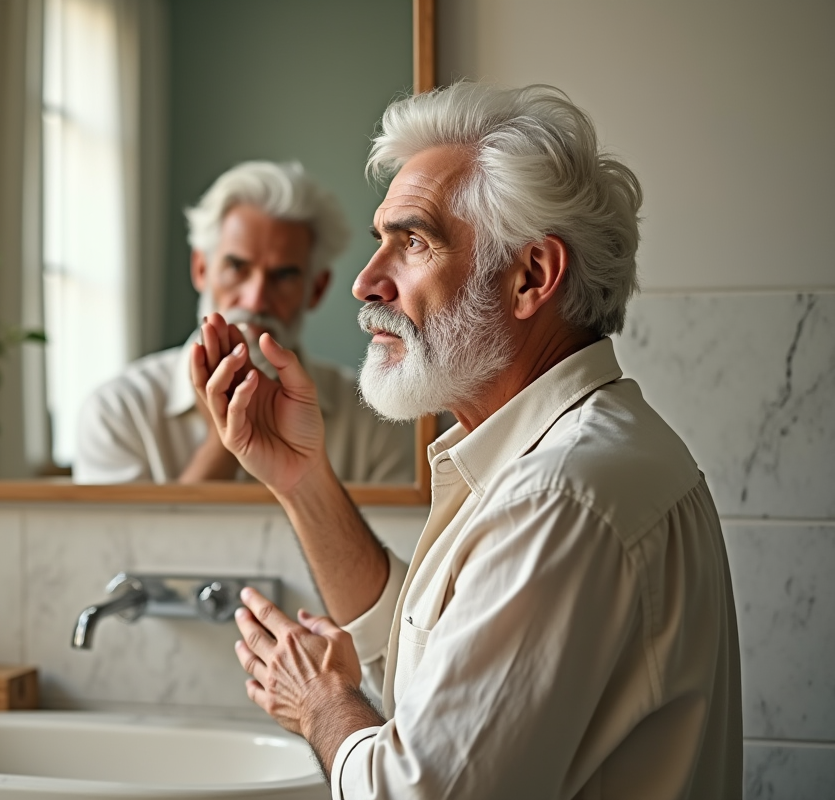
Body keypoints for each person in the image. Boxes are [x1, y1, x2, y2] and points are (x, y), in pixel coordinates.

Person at [193, 83, 742, 798]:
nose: (366, 283)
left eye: (413, 241)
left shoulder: (562, 495)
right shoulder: (564, 459)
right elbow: (431, 663)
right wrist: (301, 480)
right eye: (379, 242)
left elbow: (422, 792)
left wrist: (322, 704)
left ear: (530, 276)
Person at [74, 161, 415, 485]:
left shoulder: (373, 421)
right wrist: (226, 438)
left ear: (316, 289)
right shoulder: (118, 412)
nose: (255, 300)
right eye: (237, 267)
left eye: (283, 276)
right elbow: (129, 549)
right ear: (201, 270)